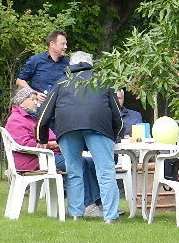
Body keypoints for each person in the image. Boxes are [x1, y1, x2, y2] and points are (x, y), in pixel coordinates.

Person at [37, 51, 122, 223]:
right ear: (91, 64)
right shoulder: (103, 81)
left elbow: (44, 114)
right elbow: (117, 116)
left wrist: (42, 138)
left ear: (71, 65)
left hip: (67, 129)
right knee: (105, 172)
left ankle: (76, 214)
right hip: (99, 127)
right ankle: (110, 217)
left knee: (74, 171)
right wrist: (113, 136)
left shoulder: (62, 82)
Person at [6, 86, 100, 208]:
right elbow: (25, 144)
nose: (36, 103)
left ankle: (99, 203)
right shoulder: (16, 120)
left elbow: (51, 137)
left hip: (48, 157)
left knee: (91, 162)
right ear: (21, 101)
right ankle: (88, 205)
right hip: (33, 161)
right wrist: (53, 145)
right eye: (32, 99)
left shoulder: (32, 118)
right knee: (78, 163)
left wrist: (60, 143)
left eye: (36, 99)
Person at [16, 30, 69, 95]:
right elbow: (20, 81)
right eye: (62, 44)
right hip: (40, 100)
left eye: (66, 44)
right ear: (52, 44)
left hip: (61, 100)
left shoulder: (69, 63)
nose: (65, 47)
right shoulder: (35, 60)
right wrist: (34, 93)